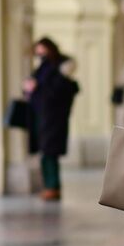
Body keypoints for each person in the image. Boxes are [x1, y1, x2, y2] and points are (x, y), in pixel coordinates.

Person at [24, 37, 80, 201]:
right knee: (44, 151)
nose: (40, 53)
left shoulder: (60, 67)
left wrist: (37, 87)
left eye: (42, 49)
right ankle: (49, 186)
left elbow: (59, 89)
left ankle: (53, 186)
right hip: (40, 115)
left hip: (54, 116)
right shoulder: (44, 66)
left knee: (50, 152)